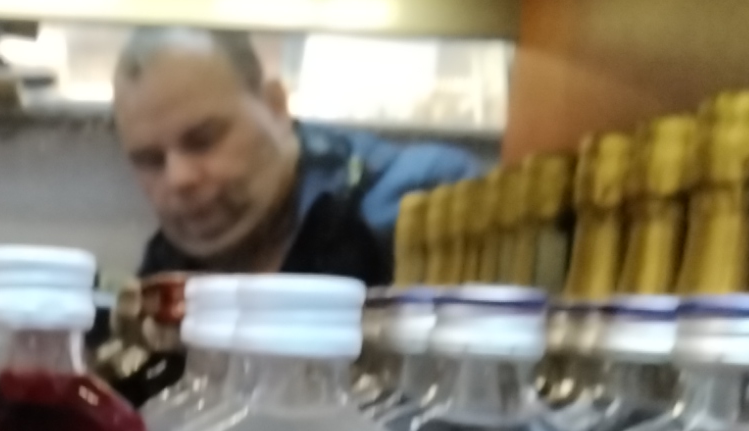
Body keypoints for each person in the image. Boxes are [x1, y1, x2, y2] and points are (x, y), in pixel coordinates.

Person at [112, 26, 480, 281]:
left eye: (203, 140)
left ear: (275, 107)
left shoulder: (420, 203)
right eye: (149, 161)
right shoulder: (164, 269)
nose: (179, 178)